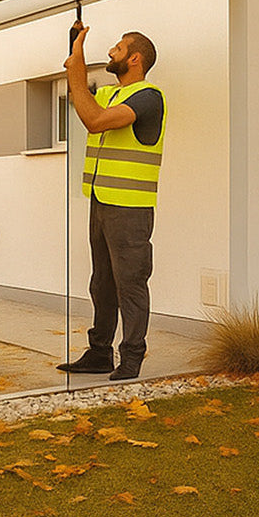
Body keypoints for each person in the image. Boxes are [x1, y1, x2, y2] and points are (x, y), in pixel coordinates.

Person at [57, 25, 165, 381]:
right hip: (101, 201)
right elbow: (84, 100)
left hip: (130, 206)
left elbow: (95, 121)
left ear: (134, 59)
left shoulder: (149, 97)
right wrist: (75, 49)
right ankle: (99, 352)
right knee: (101, 282)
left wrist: (76, 73)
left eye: (117, 49)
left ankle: (132, 356)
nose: (111, 52)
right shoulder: (108, 93)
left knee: (130, 283)